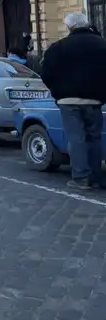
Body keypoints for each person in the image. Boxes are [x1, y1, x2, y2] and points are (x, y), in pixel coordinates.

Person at [40, 12, 106, 191]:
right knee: (94, 138)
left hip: (68, 100)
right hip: (95, 99)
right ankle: (96, 176)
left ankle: (81, 178)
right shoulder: (102, 44)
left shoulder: (58, 47)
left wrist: (57, 91)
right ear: (87, 24)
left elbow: (45, 73)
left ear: (69, 27)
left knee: (77, 139)